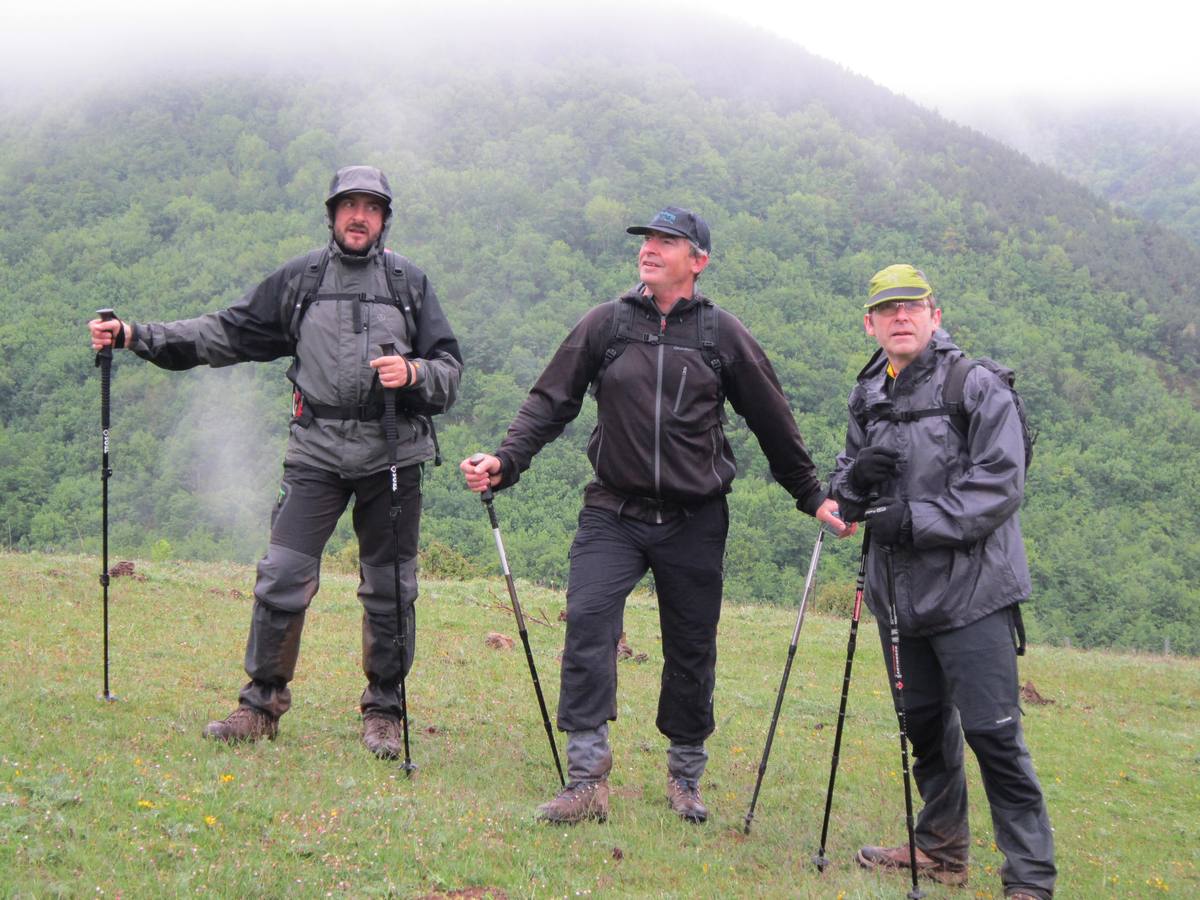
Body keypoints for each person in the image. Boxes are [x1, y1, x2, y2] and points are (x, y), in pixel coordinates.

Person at [461, 206, 847, 824]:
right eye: (646, 239)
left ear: (698, 260)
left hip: (696, 516)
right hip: (613, 509)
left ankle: (685, 776)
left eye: (667, 241)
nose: (650, 248)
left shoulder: (722, 335)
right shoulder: (607, 325)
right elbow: (548, 402)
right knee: (588, 623)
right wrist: (506, 462)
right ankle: (587, 779)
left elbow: (773, 420)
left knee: (691, 647)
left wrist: (813, 495)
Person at [88, 165, 463, 759]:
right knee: (283, 577)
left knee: (391, 587)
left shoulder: (409, 284)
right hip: (315, 453)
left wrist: (416, 373)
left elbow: (449, 370)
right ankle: (260, 705)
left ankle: (385, 711)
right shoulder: (302, 281)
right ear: (332, 214)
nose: (358, 216)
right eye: (348, 206)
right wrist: (138, 335)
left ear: (385, 219)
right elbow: (225, 332)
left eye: (370, 207)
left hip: (392, 453)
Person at [828, 264, 1055, 899]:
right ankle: (940, 847)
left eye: (912, 306)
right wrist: (853, 481)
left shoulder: (975, 386)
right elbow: (844, 482)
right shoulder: (869, 389)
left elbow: (999, 486)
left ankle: (1030, 879)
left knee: (993, 733)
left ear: (935, 315)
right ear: (870, 323)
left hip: (972, 593)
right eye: (888, 309)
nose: (901, 317)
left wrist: (916, 520)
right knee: (924, 724)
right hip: (897, 596)